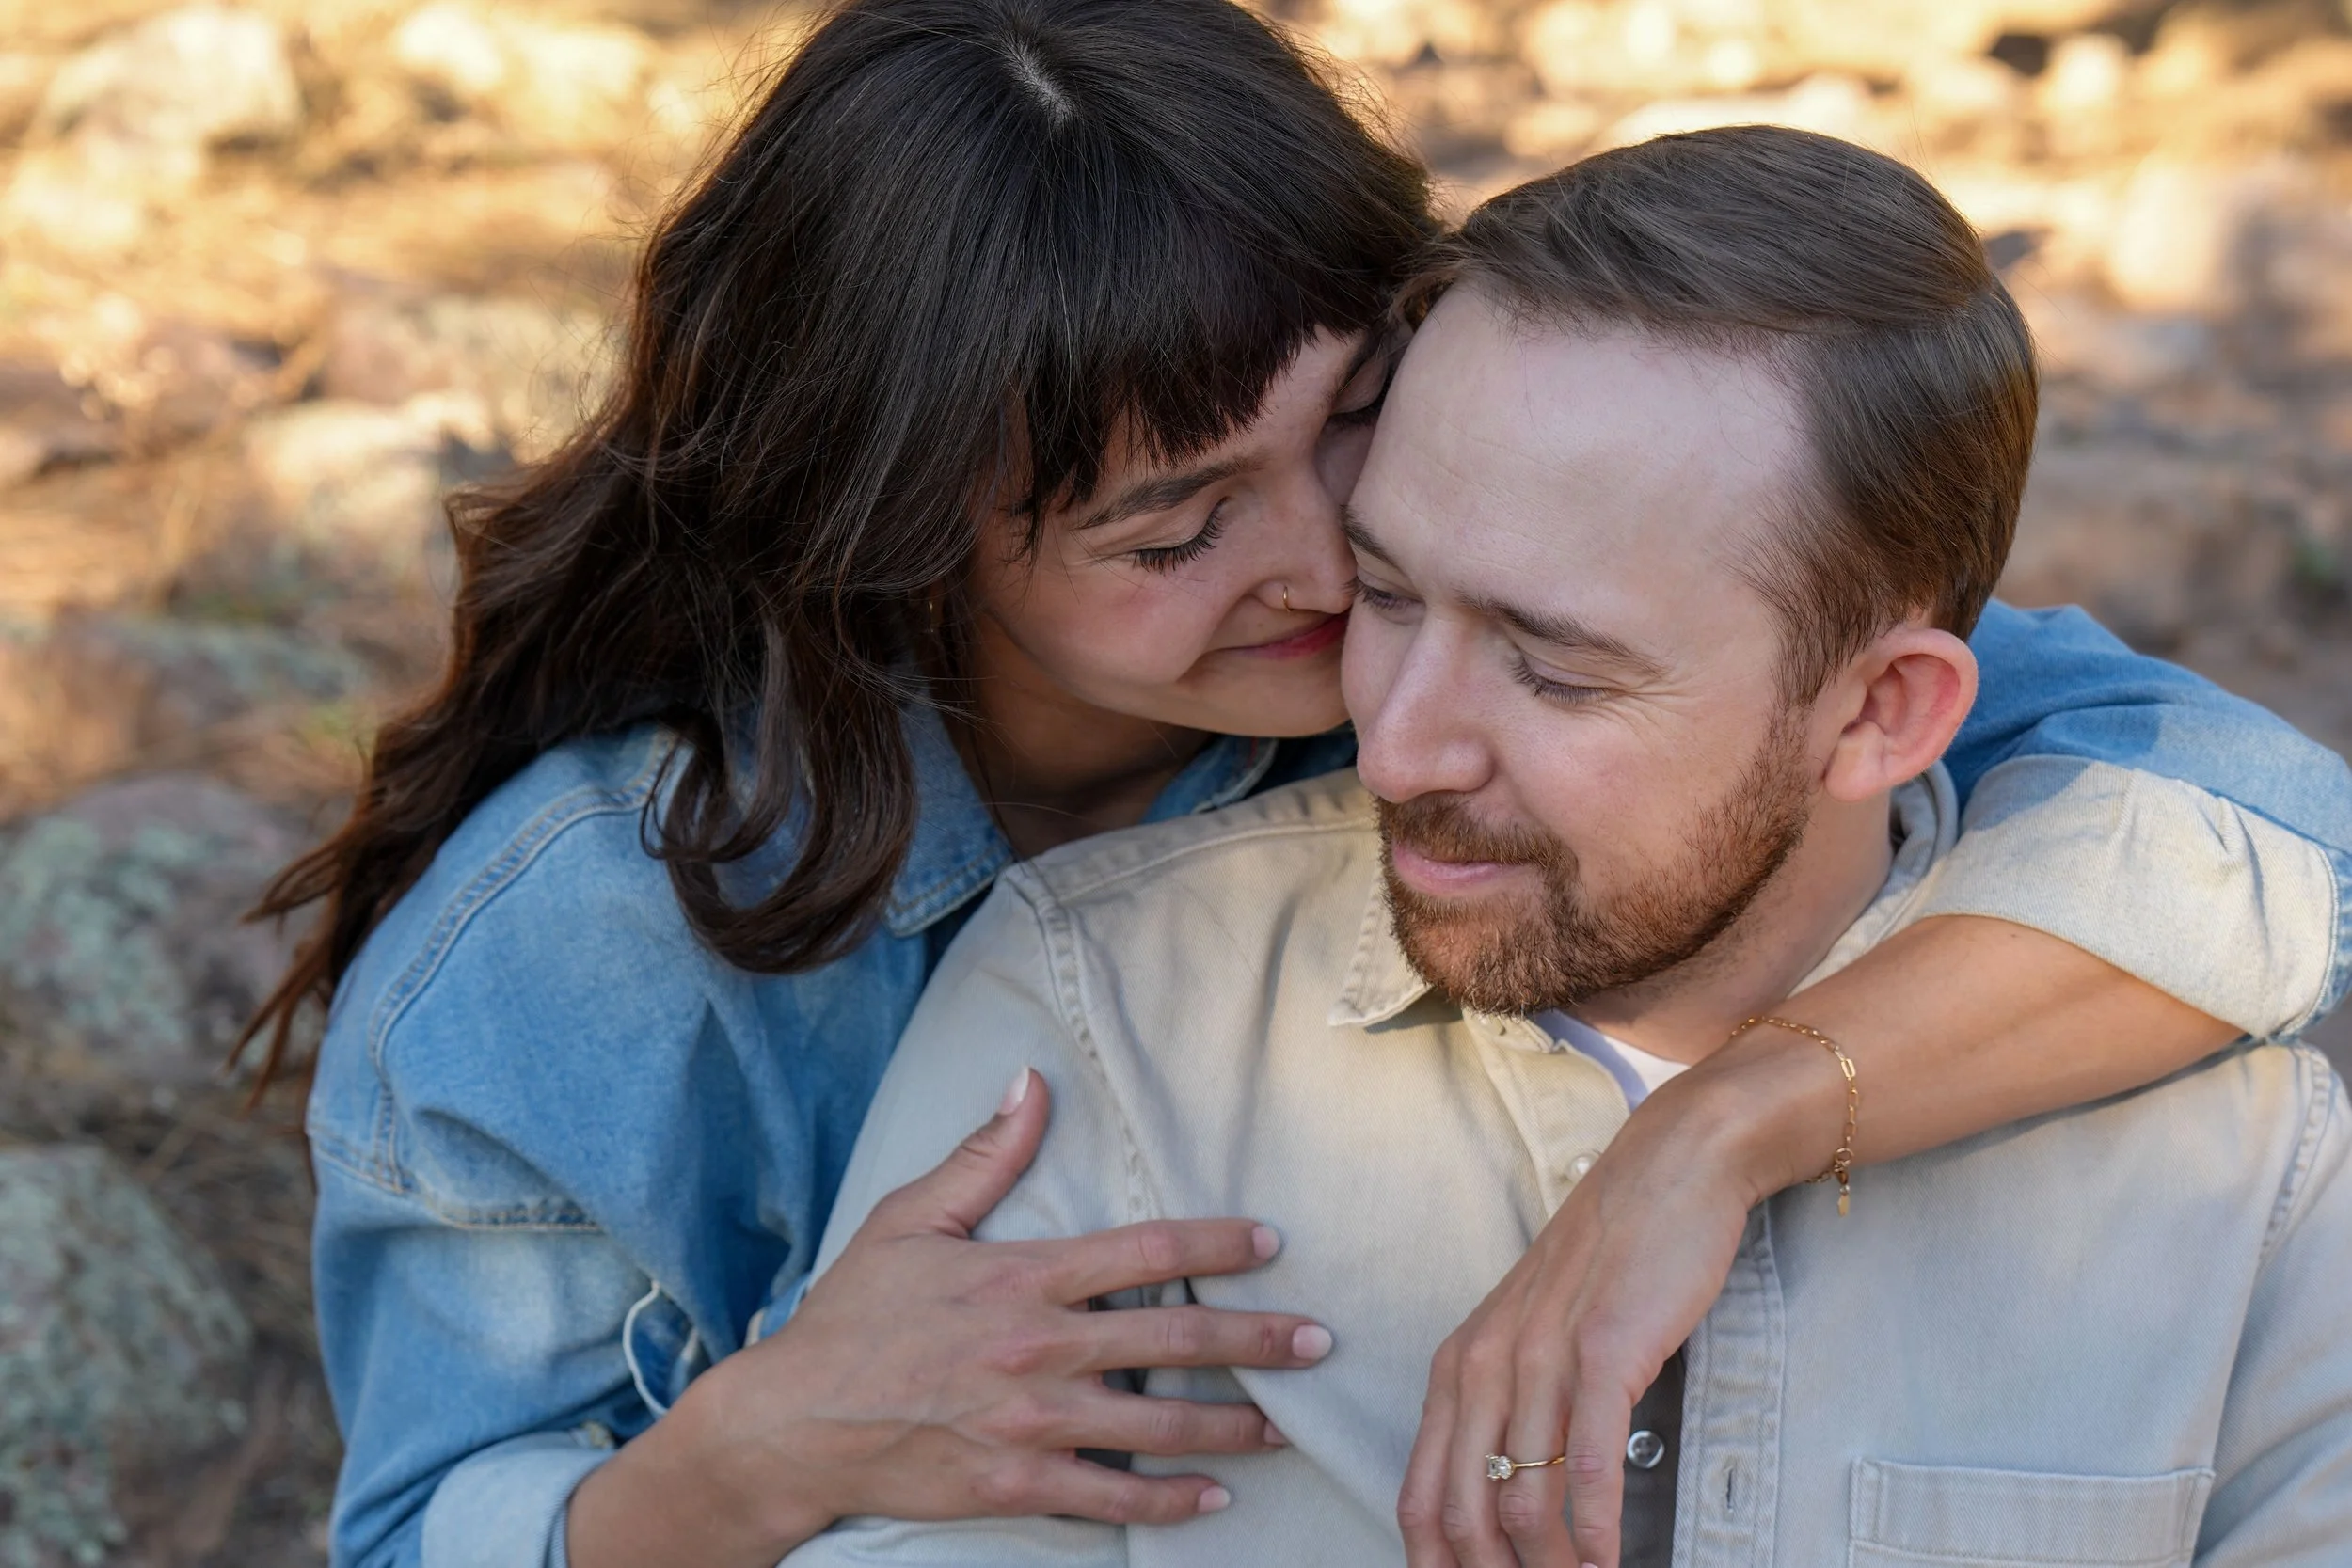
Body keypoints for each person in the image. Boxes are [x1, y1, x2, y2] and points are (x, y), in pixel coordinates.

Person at [243, 4, 2352, 1565]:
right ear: (884, 536)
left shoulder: (1451, 620)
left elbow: (2251, 826)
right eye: (1171, 530)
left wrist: (1716, 1127)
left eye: (1348, 429)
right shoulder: (575, 955)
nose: (1329, 572)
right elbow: (422, 1527)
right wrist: (754, 1451)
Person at [778, 128, 2352, 1568]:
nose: (1395, 746)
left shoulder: (2245, 1168)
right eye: (1385, 594)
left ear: (1881, 712)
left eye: (1555, 666)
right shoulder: (1102, 1023)